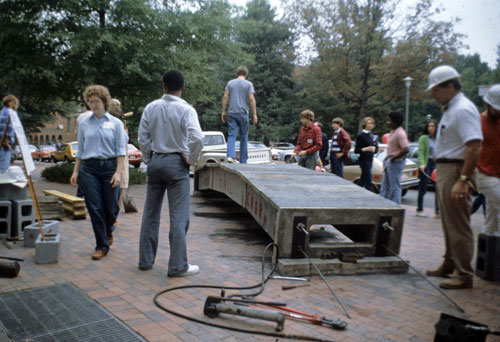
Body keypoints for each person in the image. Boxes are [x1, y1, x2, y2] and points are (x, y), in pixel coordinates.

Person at [138, 69, 203, 277]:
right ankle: (177, 266)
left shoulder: (151, 108)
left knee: (150, 214)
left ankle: (145, 261)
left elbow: (142, 137)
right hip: (176, 163)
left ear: (163, 85)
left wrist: (149, 159)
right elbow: (197, 138)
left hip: (156, 160)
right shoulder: (187, 110)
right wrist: (190, 159)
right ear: (182, 87)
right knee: (178, 216)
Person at [425, 65, 482, 290]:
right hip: (448, 168)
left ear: (450, 85)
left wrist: (464, 179)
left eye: (435, 89)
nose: (432, 94)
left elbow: (475, 146)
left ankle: (464, 273)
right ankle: (450, 263)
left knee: (458, 223)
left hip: (457, 169)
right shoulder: (452, 109)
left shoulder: (463, 109)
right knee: (449, 221)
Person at [70, 85, 127, 260]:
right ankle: (101, 245)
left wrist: (118, 173)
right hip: (89, 169)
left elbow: (120, 151)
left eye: (96, 101)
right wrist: (75, 172)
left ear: (104, 101)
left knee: (111, 208)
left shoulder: (116, 124)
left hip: (110, 167)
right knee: (94, 208)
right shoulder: (84, 124)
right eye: (90, 102)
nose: (93, 105)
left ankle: (108, 229)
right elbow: (80, 149)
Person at [221, 66, 258, 163]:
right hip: (243, 113)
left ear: (237, 73)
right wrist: (254, 114)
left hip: (232, 113)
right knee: (244, 136)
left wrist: (223, 111)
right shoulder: (248, 84)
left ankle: (230, 156)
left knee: (231, 135)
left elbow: (225, 96)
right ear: (246, 74)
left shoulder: (230, 83)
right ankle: (243, 160)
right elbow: (251, 99)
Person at [476, 84, 500, 233]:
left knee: (492, 218)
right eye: (496, 108)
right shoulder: (477, 121)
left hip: (498, 174)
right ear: (487, 104)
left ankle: (488, 250)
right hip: (483, 173)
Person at [380, 111, 409, 204]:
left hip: (395, 162)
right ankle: (384, 206)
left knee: (394, 187)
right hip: (390, 161)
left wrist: (393, 158)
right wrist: (387, 158)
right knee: (385, 186)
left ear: (394, 122)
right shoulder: (393, 132)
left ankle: (395, 207)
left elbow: (406, 149)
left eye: (389, 120)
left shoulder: (400, 133)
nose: (388, 122)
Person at [107, 98, 130, 213]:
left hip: (113, 158)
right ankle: (114, 214)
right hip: (119, 158)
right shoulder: (118, 123)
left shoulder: (106, 121)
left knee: (115, 187)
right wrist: (125, 135)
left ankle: (112, 214)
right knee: (119, 187)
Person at [416, 120, 439, 217]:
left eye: (433, 126)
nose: (431, 128)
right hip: (426, 163)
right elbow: (420, 152)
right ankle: (419, 209)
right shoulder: (424, 138)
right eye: (429, 126)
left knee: (438, 187)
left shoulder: (440, 138)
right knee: (423, 187)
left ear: (436, 127)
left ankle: (438, 210)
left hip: (436, 164)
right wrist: (422, 163)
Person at [354, 117, 378, 191]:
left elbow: (375, 148)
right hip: (364, 160)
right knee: (368, 179)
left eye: (372, 123)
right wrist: (365, 149)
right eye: (369, 123)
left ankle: (358, 190)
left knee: (364, 178)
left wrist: (376, 149)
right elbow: (356, 150)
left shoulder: (372, 135)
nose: (371, 125)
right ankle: (372, 195)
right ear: (364, 124)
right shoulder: (361, 135)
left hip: (370, 159)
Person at [0, 95, 18, 174]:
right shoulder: (10, 113)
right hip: (4, 145)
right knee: (3, 171)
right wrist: (7, 142)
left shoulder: (2, 111)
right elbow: (8, 128)